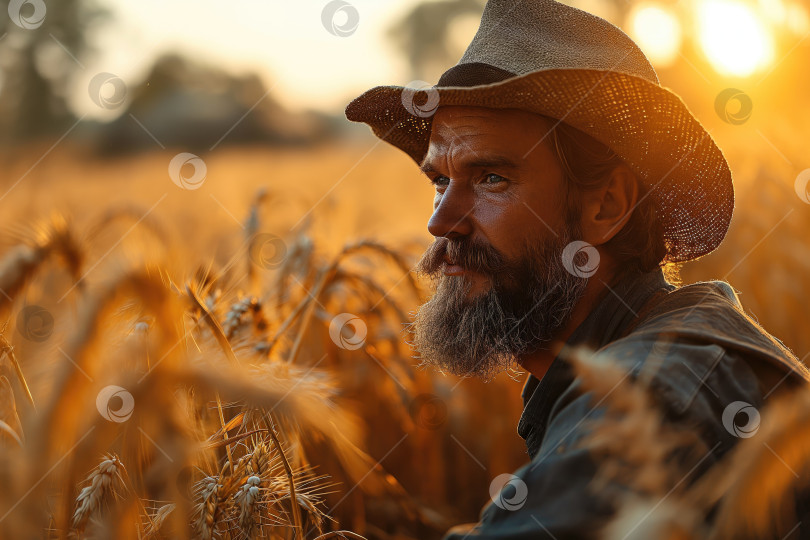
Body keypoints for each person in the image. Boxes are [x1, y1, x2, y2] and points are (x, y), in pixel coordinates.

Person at [346, 0, 810, 537]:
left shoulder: (649, 399)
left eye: (491, 177)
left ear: (607, 205)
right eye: (440, 182)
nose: (441, 222)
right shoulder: (664, 352)